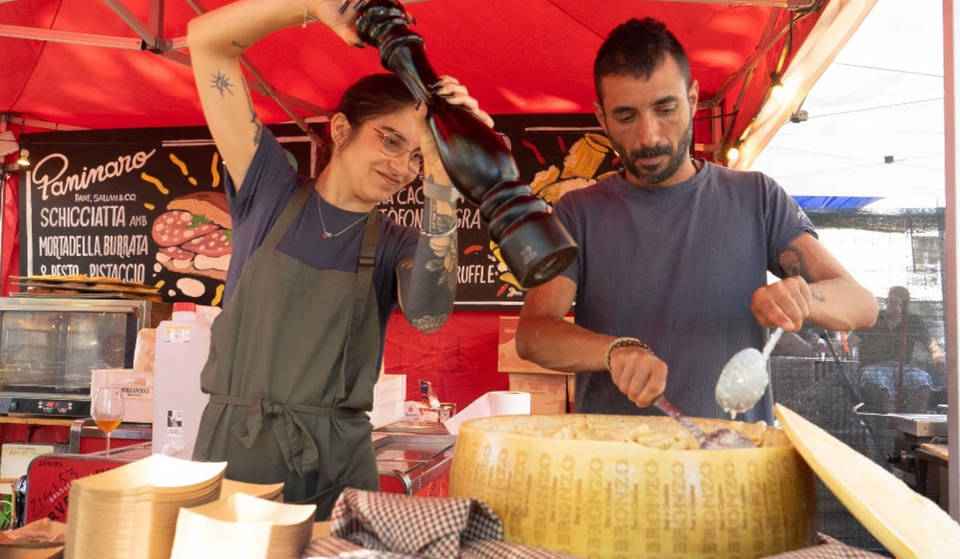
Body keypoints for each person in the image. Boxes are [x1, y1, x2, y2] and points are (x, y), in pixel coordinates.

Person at [186, 0, 493, 517]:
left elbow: (429, 313)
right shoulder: (269, 190)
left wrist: (445, 178)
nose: (403, 167)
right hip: (238, 455)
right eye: (391, 141)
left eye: (417, 156)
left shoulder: (398, 241)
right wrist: (310, 7)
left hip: (339, 471)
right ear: (341, 129)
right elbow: (207, 42)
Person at [515, 17, 878, 424]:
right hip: (616, 467)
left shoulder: (756, 197)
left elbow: (862, 304)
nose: (649, 135)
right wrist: (613, 350)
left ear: (691, 97)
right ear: (601, 117)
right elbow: (533, 334)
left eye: (665, 108)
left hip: (732, 465)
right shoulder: (577, 213)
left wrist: (801, 298)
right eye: (626, 116)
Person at [852, 286, 944, 413]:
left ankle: (914, 423)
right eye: (889, 301)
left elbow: (930, 343)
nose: (891, 306)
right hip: (873, 367)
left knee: (922, 381)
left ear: (905, 306)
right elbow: (853, 339)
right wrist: (844, 347)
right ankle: (893, 425)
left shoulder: (913, 321)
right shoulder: (873, 317)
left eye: (896, 304)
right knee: (880, 384)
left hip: (902, 368)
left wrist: (937, 355)